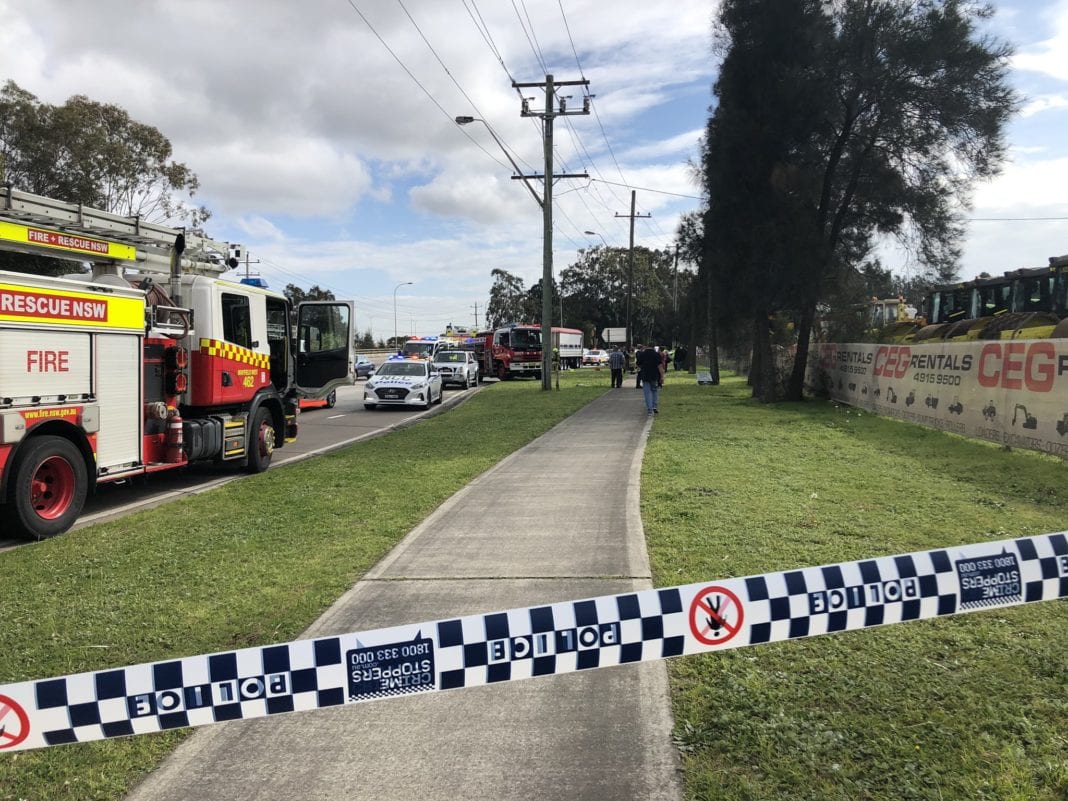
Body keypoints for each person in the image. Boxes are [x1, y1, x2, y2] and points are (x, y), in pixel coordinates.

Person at [636, 344, 662, 414]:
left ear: (647, 347)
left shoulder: (642, 354)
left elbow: (638, 364)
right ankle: (654, 406)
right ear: (653, 347)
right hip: (654, 375)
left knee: (647, 393)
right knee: (655, 391)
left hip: (645, 375)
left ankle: (649, 410)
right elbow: (660, 366)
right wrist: (662, 376)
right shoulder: (656, 355)